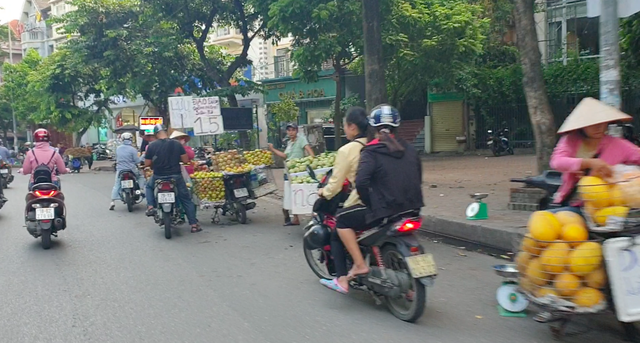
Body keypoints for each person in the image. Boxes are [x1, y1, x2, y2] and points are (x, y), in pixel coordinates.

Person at [325, 105, 423, 293]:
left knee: (342, 221)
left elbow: (361, 183)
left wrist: (371, 203)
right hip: (413, 208)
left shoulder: (371, 151)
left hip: (385, 210)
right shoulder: (410, 149)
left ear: (373, 127)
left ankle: (360, 264)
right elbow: (418, 177)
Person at [550, 97, 640, 212]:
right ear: (582, 125)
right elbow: (556, 162)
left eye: (602, 122)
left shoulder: (619, 145)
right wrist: (589, 163)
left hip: (605, 208)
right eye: (592, 123)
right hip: (575, 204)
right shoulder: (570, 140)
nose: (598, 127)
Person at [315, 107, 369, 293]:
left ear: (352, 127)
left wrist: (324, 192)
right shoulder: (378, 144)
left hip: (365, 201)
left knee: (339, 229)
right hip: (396, 201)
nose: (344, 129)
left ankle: (342, 279)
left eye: (345, 125)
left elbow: (335, 184)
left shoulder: (347, 150)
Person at [144, 124, 201, 233]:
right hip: (176, 176)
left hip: (158, 176)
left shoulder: (152, 146)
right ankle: (193, 224)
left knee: (148, 187)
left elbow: (147, 163)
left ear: (156, 134)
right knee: (185, 199)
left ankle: (151, 206)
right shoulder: (176, 144)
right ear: (166, 131)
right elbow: (185, 160)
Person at [268, 123, 315, 226]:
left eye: (293, 130)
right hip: (288, 172)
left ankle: (311, 216)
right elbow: (285, 156)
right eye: (289, 130)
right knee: (291, 194)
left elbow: (310, 153)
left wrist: (309, 161)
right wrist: (273, 150)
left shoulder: (301, 139)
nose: (291, 132)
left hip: (298, 172)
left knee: (302, 193)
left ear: (297, 131)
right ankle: (295, 218)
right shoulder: (289, 143)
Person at [109, 133, 146, 210]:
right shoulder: (133, 149)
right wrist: (143, 155)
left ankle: (112, 201)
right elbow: (137, 161)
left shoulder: (118, 149)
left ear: (122, 140)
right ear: (131, 139)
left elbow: (116, 158)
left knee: (117, 184)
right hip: (131, 170)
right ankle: (141, 190)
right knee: (141, 177)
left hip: (120, 170)